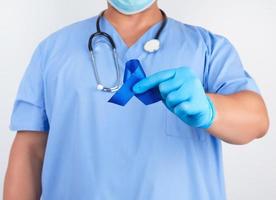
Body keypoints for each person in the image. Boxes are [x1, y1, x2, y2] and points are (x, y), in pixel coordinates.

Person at [4, 0, 269, 199]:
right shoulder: (52, 51)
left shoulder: (208, 49)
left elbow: (256, 121)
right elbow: (30, 151)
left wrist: (210, 109)